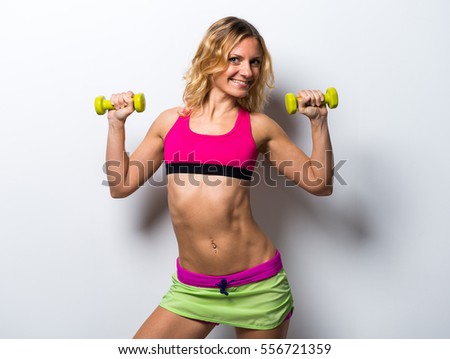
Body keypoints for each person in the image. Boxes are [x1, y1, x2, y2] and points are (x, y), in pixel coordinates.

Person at [104, 16, 334, 339]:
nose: (247, 71)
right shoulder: (170, 124)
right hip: (193, 290)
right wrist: (116, 125)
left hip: (258, 287)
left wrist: (319, 123)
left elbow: (320, 183)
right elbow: (120, 185)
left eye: (255, 62)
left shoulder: (259, 127)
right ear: (210, 59)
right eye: (235, 59)